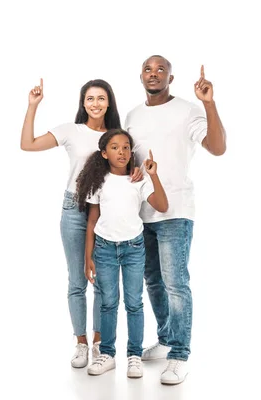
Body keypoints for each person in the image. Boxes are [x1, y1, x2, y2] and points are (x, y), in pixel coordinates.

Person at [124, 55, 227, 385]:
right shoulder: (133, 115)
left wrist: (208, 103)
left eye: (160, 70)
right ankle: (167, 338)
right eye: (148, 69)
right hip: (141, 212)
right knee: (152, 280)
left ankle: (180, 354)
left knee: (175, 283)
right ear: (140, 76)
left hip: (176, 211)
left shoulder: (187, 110)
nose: (154, 74)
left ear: (171, 78)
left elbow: (217, 147)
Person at [20, 78, 123, 368]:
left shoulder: (117, 135)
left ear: (109, 102)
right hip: (74, 208)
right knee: (77, 281)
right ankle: (81, 344)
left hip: (107, 211)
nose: (95, 104)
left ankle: (101, 341)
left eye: (101, 98)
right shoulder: (71, 131)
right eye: (90, 98)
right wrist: (32, 106)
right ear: (83, 103)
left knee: (103, 282)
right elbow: (27, 144)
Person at [75, 128, 168, 378]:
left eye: (126, 147)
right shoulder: (99, 181)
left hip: (133, 249)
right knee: (108, 303)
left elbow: (162, 205)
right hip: (104, 249)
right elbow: (92, 221)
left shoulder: (138, 179)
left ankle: (134, 356)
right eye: (115, 147)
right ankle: (107, 354)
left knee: (135, 303)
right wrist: (88, 257)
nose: (122, 151)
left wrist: (153, 175)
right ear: (104, 153)